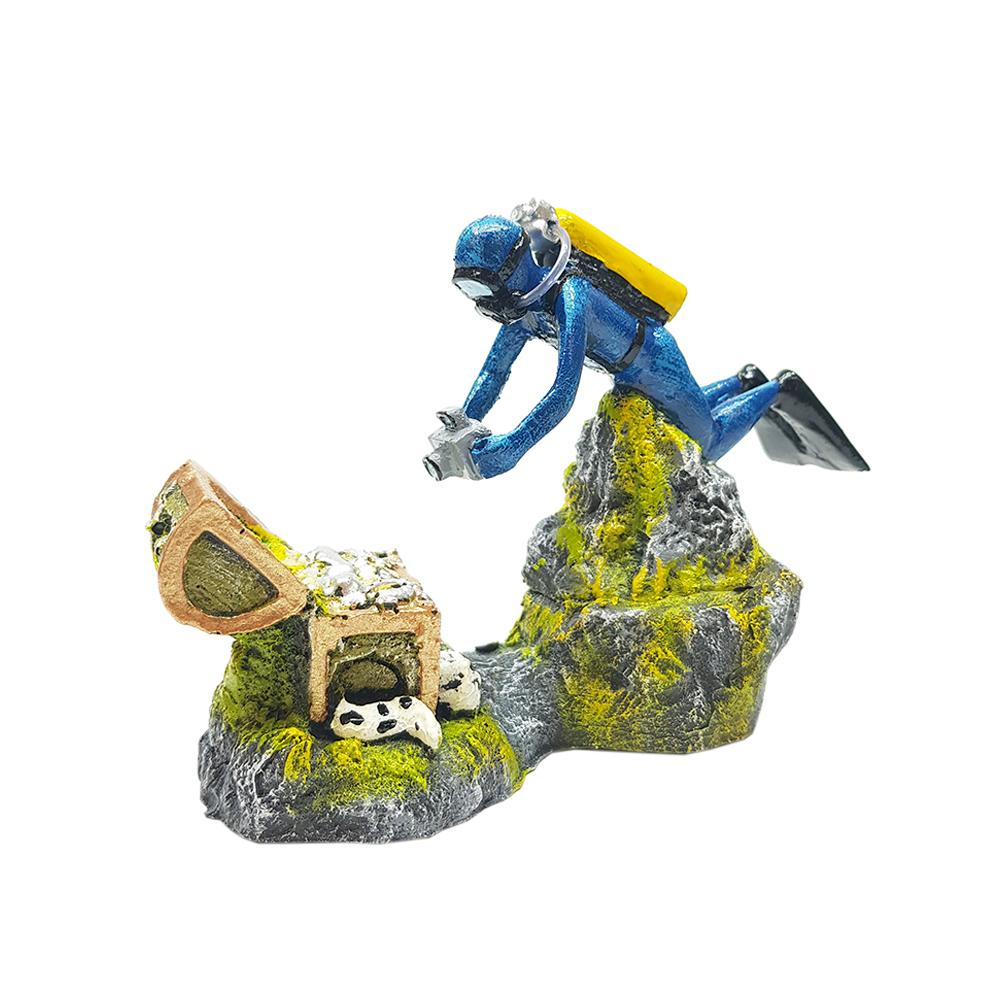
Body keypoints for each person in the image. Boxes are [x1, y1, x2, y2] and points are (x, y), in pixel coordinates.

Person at [424, 201, 868, 481]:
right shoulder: (523, 310)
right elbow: (494, 371)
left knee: (706, 443)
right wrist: (465, 421)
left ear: (517, 267)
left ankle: (778, 388)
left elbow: (562, 393)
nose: (483, 302)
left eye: (483, 288)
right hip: (627, 376)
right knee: (684, 420)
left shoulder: (573, 298)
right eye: (469, 290)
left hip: (654, 363)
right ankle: (743, 381)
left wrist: (513, 448)